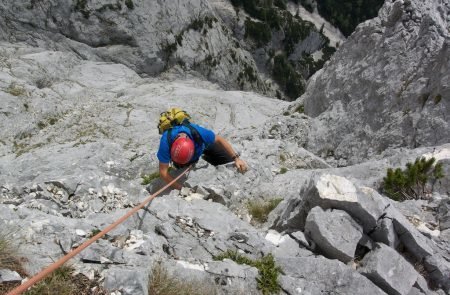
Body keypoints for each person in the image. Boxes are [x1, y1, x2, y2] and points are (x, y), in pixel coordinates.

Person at [156, 109, 248, 190]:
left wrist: (236, 159)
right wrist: (180, 188)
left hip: (202, 146)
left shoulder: (197, 132)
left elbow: (219, 139)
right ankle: (183, 163)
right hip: (183, 158)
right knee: (183, 168)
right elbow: (163, 172)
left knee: (227, 159)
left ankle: (208, 158)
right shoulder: (166, 141)